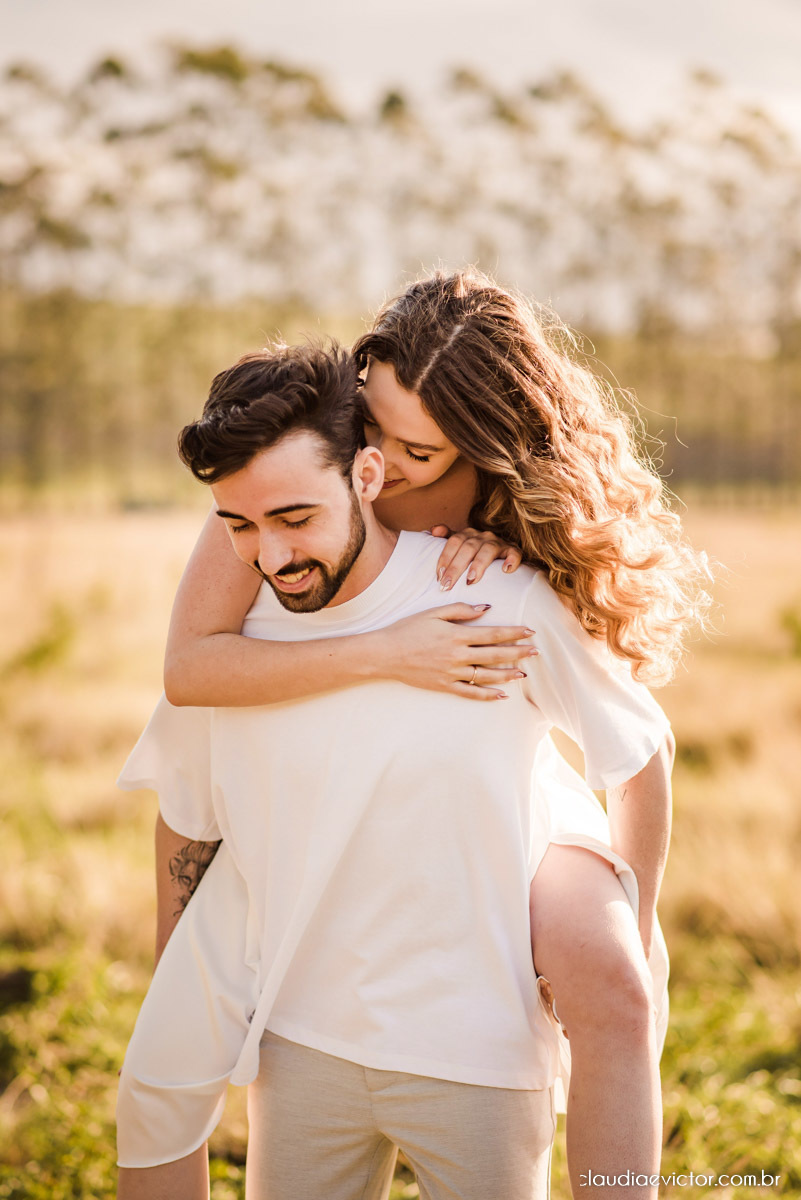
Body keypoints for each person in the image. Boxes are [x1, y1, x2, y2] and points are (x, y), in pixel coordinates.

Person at [117, 272, 705, 1197]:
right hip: (347, 734)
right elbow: (190, 670)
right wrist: (386, 648)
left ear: (482, 453)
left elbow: (629, 738)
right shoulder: (290, 489)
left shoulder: (499, 518)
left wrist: (636, 913)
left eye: (417, 452)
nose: (381, 465)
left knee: (608, 973)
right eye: (371, 427)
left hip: (480, 757)